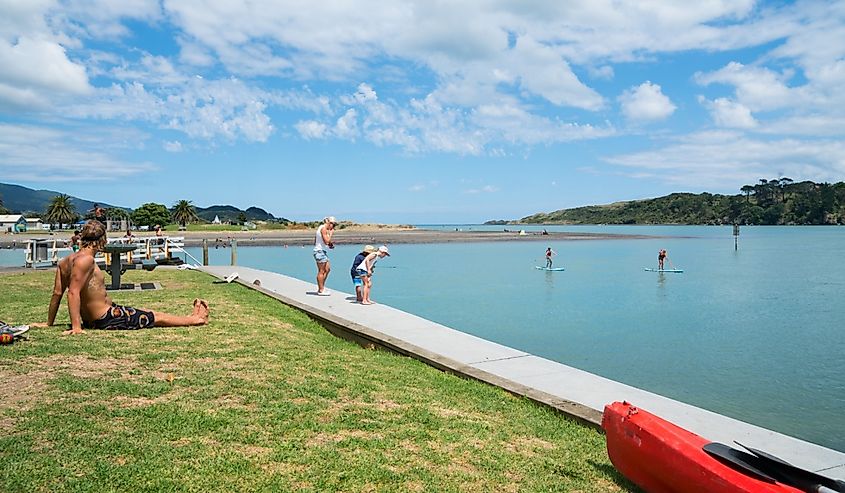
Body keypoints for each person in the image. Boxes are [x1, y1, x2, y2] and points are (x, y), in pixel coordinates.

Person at [33, 220, 208, 334]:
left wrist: (49, 323)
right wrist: (76, 327)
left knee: (145, 313)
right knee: (155, 316)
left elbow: (57, 294)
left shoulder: (65, 261)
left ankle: (191, 318)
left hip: (100, 316)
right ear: (102, 240)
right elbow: (73, 292)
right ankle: (195, 320)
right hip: (105, 318)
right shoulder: (85, 260)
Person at [313, 216, 337, 295]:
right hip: (319, 252)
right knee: (321, 271)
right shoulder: (323, 228)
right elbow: (326, 241)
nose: (333, 227)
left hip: (322, 251)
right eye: (333, 225)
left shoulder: (322, 228)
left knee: (327, 269)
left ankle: (321, 286)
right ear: (330, 223)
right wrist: (331, 234)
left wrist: (330, 245)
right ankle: (321, 289)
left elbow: (323, 241)